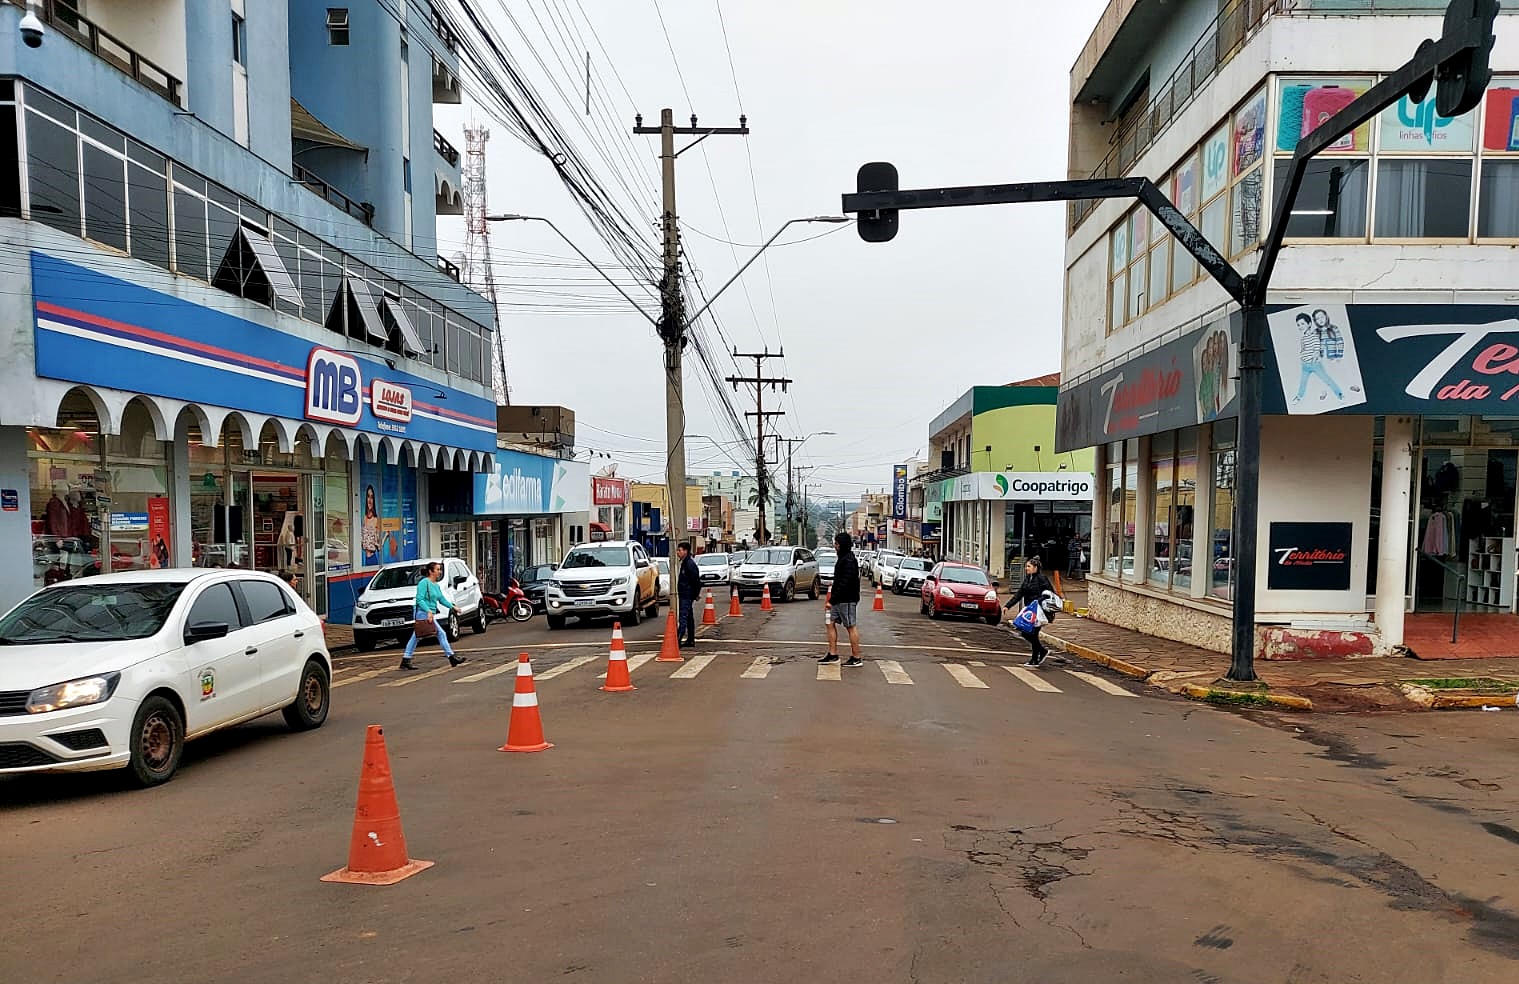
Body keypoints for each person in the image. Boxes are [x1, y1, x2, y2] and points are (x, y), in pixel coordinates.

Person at [399, 561, 467, 671]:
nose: (439, 572)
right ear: (431, 571)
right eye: (437, 570)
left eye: (440, 569)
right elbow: (419, 599)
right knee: (440, 633)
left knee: (417, 636)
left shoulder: (436, 585)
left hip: (428, 613)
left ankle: (406, 660)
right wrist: (428, 611)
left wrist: (453, 607)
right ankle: (451, 657)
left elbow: (441, 599)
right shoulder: (424, 583)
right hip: (422, 612)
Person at [820, 531, 863, 667]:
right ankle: (833, 654)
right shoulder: (843, 558)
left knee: (850, 626)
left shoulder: (849, 560)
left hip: (847, 599)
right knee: (830, 623)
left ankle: (856, 657)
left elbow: (846, 581)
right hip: (838, 599)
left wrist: (832, 599)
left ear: (842, 545)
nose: (835, 546)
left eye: (837, 544)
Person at [1005, 556, 1055, 667]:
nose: (1026, 568)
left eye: (1028, 566)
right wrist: (1008, 606)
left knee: (1032, 633)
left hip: (1039, 612)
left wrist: (1038, 601)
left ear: (1035, 567)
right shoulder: (1028, 578)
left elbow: (1049, 593)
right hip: (1029, 611)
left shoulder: (1042, 579)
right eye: (1026, 566)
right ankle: (1040, 653)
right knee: (1027, 633)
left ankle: (1036, 658)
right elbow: (1020, 593)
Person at [676, 541, 700, 648]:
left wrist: (695, 594)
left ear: (685, 551)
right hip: (685, 594)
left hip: (687, 594)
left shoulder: (689, 564)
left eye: (680, 550)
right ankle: (690, 640)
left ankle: (678, 640)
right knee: (689, 617)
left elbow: (696, 581)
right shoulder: (685, 563)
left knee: (683, 617)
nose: (678, 553)